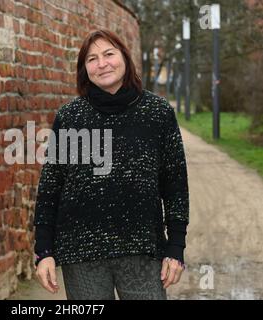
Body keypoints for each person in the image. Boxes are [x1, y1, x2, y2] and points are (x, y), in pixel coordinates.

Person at [33, 29, 189, 300]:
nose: (102, 64)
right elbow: (50, 188)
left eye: (108, 54)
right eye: (91, 59)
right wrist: (43, 251)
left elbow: (175, 185)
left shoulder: (158, 113)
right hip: (82, 254)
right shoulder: (70, 117)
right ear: (84, 69)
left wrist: (176, 248)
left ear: (125, 58)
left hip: (143, 250)